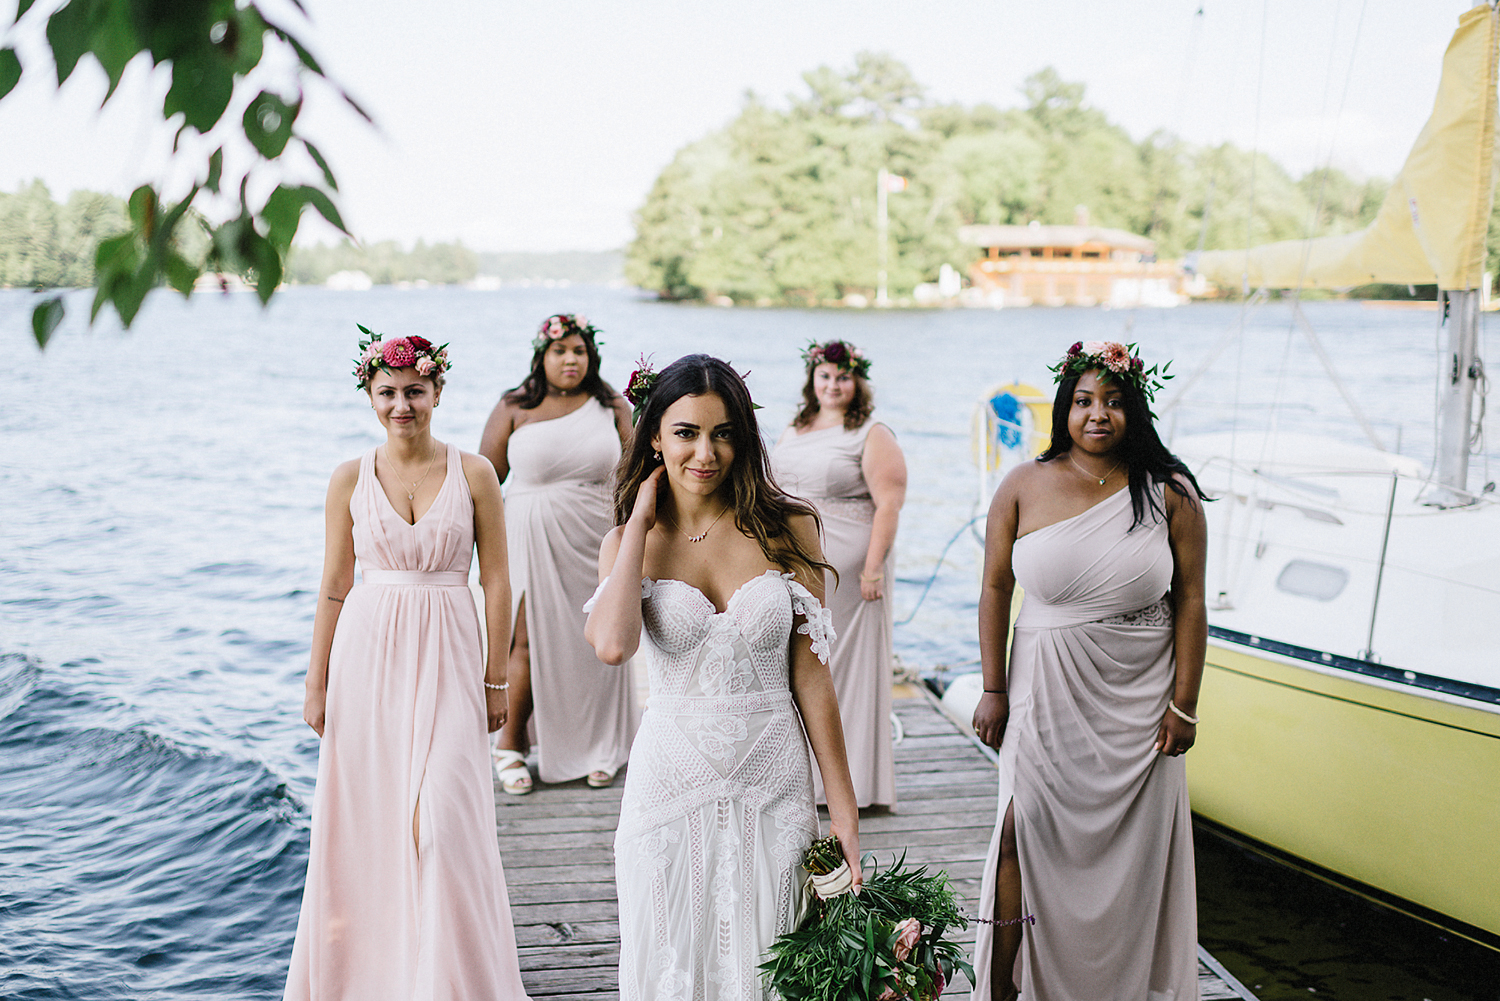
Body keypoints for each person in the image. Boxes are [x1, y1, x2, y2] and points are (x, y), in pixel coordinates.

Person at [583, 354, 863, 1001]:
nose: (705, 451)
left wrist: (842, 807)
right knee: (672, 957)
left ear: (744, 437)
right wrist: (638, 527)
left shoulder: (788, 527)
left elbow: (814, 681)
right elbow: (613, 645)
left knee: (773, 961)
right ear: (655, 435)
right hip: (669, 783)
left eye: (723, 432)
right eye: (686, 432)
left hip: (773, 781)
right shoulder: (629, 541)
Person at [286, 329, 529, 999]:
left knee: (443, 826)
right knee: (369, 822)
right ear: (370, 395)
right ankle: (381, 976)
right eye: (388, 393)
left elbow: (499, 580)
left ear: (437, 391)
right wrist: (317, 680)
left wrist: (496, 676)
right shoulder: (348, 478)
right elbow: (335, 583)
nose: (402, 405)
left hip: (452, 653)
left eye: (414, 391)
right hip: (367, 659)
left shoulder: (475, 471)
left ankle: (451, 982)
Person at [969, 341, 1208, 1001]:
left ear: (1136, 409)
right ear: (1063, 409)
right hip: (1042, 692)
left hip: (1138, 705)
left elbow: (1191, 600)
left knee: (1127, 860)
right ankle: (1005, 988)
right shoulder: (1021, 484)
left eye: (1113, 401)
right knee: (1021, 830)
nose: (1097, 414)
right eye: (1083, 401)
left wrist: (1184, 704)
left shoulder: (1171, 493)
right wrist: (993, 685)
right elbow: (993, 588)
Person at [479, 313, 636, 795]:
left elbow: (637, 468)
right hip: (530, 534)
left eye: (579, 351)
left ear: (591, 357)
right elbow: (485, 477)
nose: (570, 359)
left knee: (596, 639)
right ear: (541, 356)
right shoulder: (514, 405)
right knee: (524, 637)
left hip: (596, 534)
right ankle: (510, 746)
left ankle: (599, 746)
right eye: (560, 350)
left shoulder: (610, 404)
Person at [770, 339, 906, 810]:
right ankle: (804, 777)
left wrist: (873, 569)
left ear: (858, 381)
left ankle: (855, 786)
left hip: (850, 570)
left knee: (845, 669)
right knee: (803, 665)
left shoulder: (871, 432)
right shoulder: (794, 427)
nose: (833, 385)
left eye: (843, 377)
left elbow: (889, 501)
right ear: (812, 378)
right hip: (797, 559)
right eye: (825, 376)